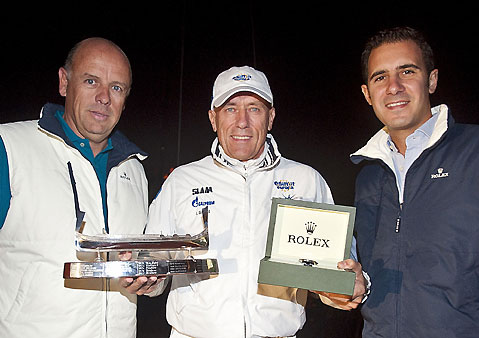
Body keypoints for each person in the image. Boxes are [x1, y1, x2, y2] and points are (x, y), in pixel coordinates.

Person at [122, 65, 367, 337]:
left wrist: (351, 285)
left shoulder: (306, 180)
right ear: (213, 119)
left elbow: (337, 274)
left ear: (270, 117)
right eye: (230, 108)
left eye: (254, 108)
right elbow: (156, 262)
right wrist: (146, 279)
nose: (242, 121)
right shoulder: (182, 180)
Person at [351, 26, 479, 338]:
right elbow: (375, 275)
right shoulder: (368, 174)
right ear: (367, 93)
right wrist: (355, 286)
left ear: (431, 80)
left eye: (407, 71)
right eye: (380, 77)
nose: (394, 86)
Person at [0, 38, 149, 338]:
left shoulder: (135, 170)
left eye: (117, 87)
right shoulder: (10, 148)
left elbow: (143, 261)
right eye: (91, 81)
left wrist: (151, 279)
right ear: (64, 82)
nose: (104, 97)